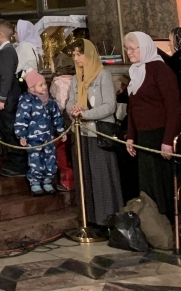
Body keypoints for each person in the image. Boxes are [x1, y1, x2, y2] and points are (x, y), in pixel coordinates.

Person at [124, 31, 181, 220]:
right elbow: (132, 108)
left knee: (163, 183)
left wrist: (168, 140)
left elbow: (173, 107)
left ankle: (175, 226)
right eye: (127, 49)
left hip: (160, 135)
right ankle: (154, 224)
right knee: (148, 184)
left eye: (133, 49)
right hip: (144, 136)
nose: (129, 53)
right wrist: (131, 136)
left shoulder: (160, 70)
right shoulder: (135, 71)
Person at [67, 38, 124, 224]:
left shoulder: (102, 75)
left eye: (79, 54)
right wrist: (73, 111)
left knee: (102, 178)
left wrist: (86, 114)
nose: (76, 59)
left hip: (98, 134)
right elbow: (70, 101)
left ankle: (106, 219)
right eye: (74, 54)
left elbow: (109, 106)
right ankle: (89, 218)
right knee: (86, 178)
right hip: (81, 134)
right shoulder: (76, 78)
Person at [15, 70, 66, 196]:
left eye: (45, 84)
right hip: (33, 139)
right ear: (32, 87)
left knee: (50, 160)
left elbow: (56, 117)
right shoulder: (27, 101)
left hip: (48, 137)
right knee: (35, 161)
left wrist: (61, 131)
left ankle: (47, 180)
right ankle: (35, 183)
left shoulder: (50, 101)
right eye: (40, 85)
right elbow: (21, 119)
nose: (44, 87)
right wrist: (21, 135)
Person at [0, 19, 26, 177]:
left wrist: (2, 98)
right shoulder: (6, 51)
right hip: (7, 98)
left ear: (0, 34)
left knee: (10, 130)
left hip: (8, 100)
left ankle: (17, 165)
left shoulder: (7, 52)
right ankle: (10, 163)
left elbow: (6, 77)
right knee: (6, 130)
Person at [50, 51, 76, 191]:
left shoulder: (57, 82)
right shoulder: (76, 79)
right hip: (76, 117)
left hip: (63, 118)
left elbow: (58, 103)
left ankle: (67, 180)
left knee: (61, 150)